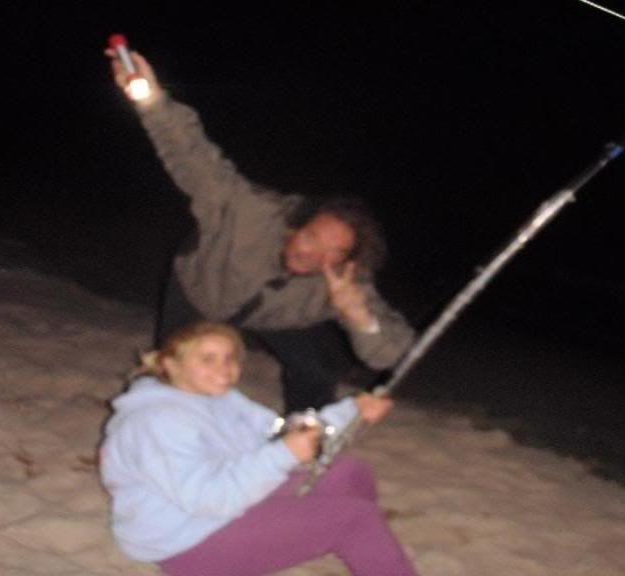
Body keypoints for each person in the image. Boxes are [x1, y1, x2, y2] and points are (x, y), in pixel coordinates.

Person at [106, 47, 416, 414]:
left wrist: (358, 315)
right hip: (200, 288)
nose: (313, 255)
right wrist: (150, 98)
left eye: (332, 253)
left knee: (315, 371)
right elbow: (191, 153)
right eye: (311, 237)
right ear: (294, 226)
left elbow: (393, 354)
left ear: (347, 260)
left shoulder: (347, 284)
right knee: (169, 372)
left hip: (275, 317)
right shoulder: (248, 212)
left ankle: (305, 436)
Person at [99, 322, 418, 576]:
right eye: (207, 359)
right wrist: (284, 454)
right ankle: (361, 544)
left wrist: (354, 412)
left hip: (224, 509)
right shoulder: (157, 422)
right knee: (355, 518)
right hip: (187, 544)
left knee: (349, 473)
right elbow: (210, 499)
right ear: (171, 364)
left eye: (230, 359)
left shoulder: (221, 398)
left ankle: (366, 553)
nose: (224, 369)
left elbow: (284, 433)